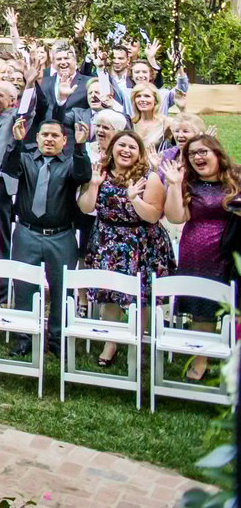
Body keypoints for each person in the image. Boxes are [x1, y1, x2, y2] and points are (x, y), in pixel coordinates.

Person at [78, 128, 173, 367]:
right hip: (106, 241)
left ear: (139, 153)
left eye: (132, 147)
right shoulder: (99, 172)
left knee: (139, 297)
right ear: (113, 149)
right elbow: (85, 208)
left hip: (140, 244)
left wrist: (134, 199)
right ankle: (110, 343)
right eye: (122, 145)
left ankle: (136, 342)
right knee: (109, 294)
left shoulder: (149, 177)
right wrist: (94, 185)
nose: (126, 150)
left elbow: (153, 215)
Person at [1, 117, 92, 356]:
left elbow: (83, 176)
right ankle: (25, 337)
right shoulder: (26, 159)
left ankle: (57, 339)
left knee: (62, 288)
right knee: (24, 286)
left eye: (55, 135)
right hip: (27, 232)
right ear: (37, 138)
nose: (49, 139)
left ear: (64, 140)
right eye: (45, 135)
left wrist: (81, 147)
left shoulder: (71, 163)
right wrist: (17, 142)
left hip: (61, 235)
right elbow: (9, 169)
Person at [163, 134, 241, 381]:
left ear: (217, 153)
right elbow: (176, 217)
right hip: (197, 252)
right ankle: (201, 361)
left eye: (203, 151)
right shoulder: (188, 183)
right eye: (192, 153)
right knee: (202, 307)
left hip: (232, 250)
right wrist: (174, 185)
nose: (197, 157)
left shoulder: (237, 178)